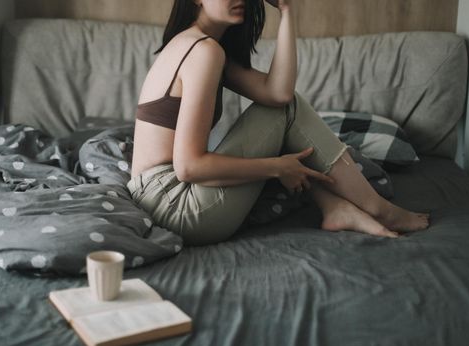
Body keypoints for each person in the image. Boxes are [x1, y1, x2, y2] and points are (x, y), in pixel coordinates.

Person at [127, 0, 430, 246]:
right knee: (286, 113)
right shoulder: (203, 52)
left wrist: (287, 11)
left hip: (159, 199)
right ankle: (378, 208)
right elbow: (189, 166)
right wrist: (277, 166)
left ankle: (335, 207)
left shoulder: (198, 45)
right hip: (178, 207)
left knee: (283, 108)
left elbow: (278, 93)